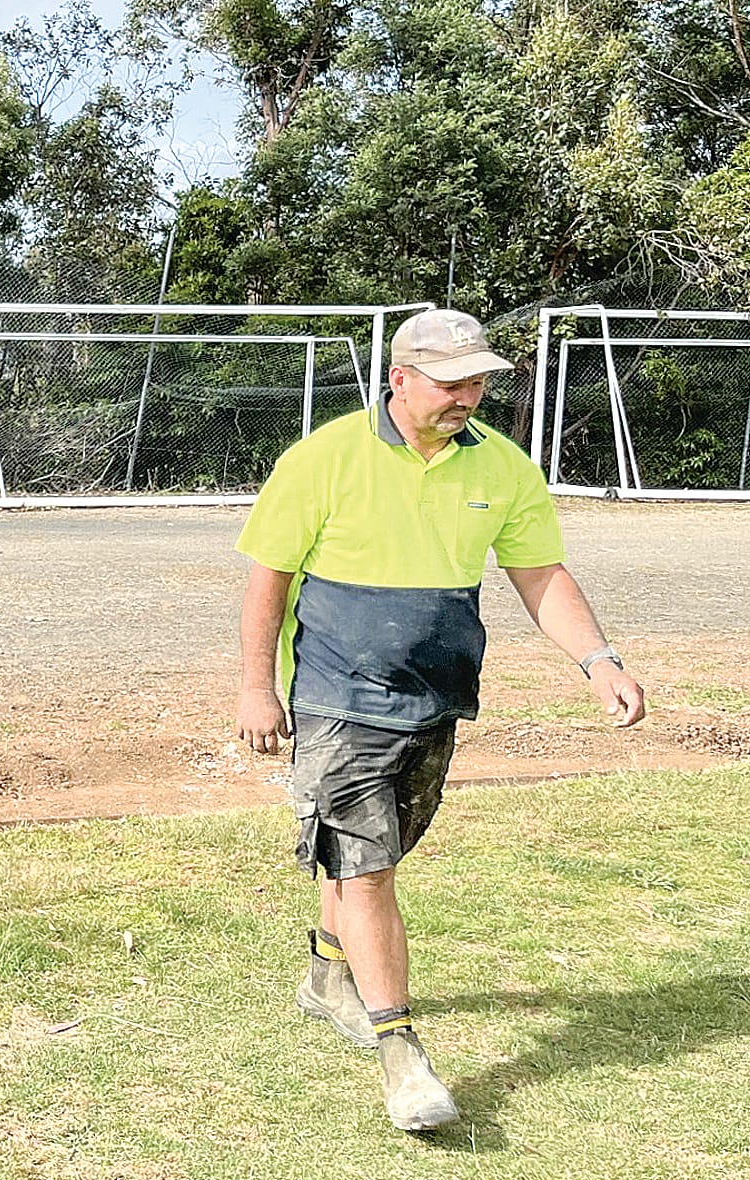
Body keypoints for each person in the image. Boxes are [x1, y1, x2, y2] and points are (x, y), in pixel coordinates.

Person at [233, 308, 647, 1131]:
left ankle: (325, 974)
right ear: (399, 378)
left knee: (372, 849)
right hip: (336, 690)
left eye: (478, 381)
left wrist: (598, 659)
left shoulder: (499, 465)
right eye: (451, 381)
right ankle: (401, 1056)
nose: (469, 395)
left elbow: (539, 575)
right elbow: (266, 580)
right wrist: (254, 687)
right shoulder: (323, 458)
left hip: (435, 693)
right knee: (366, 868)